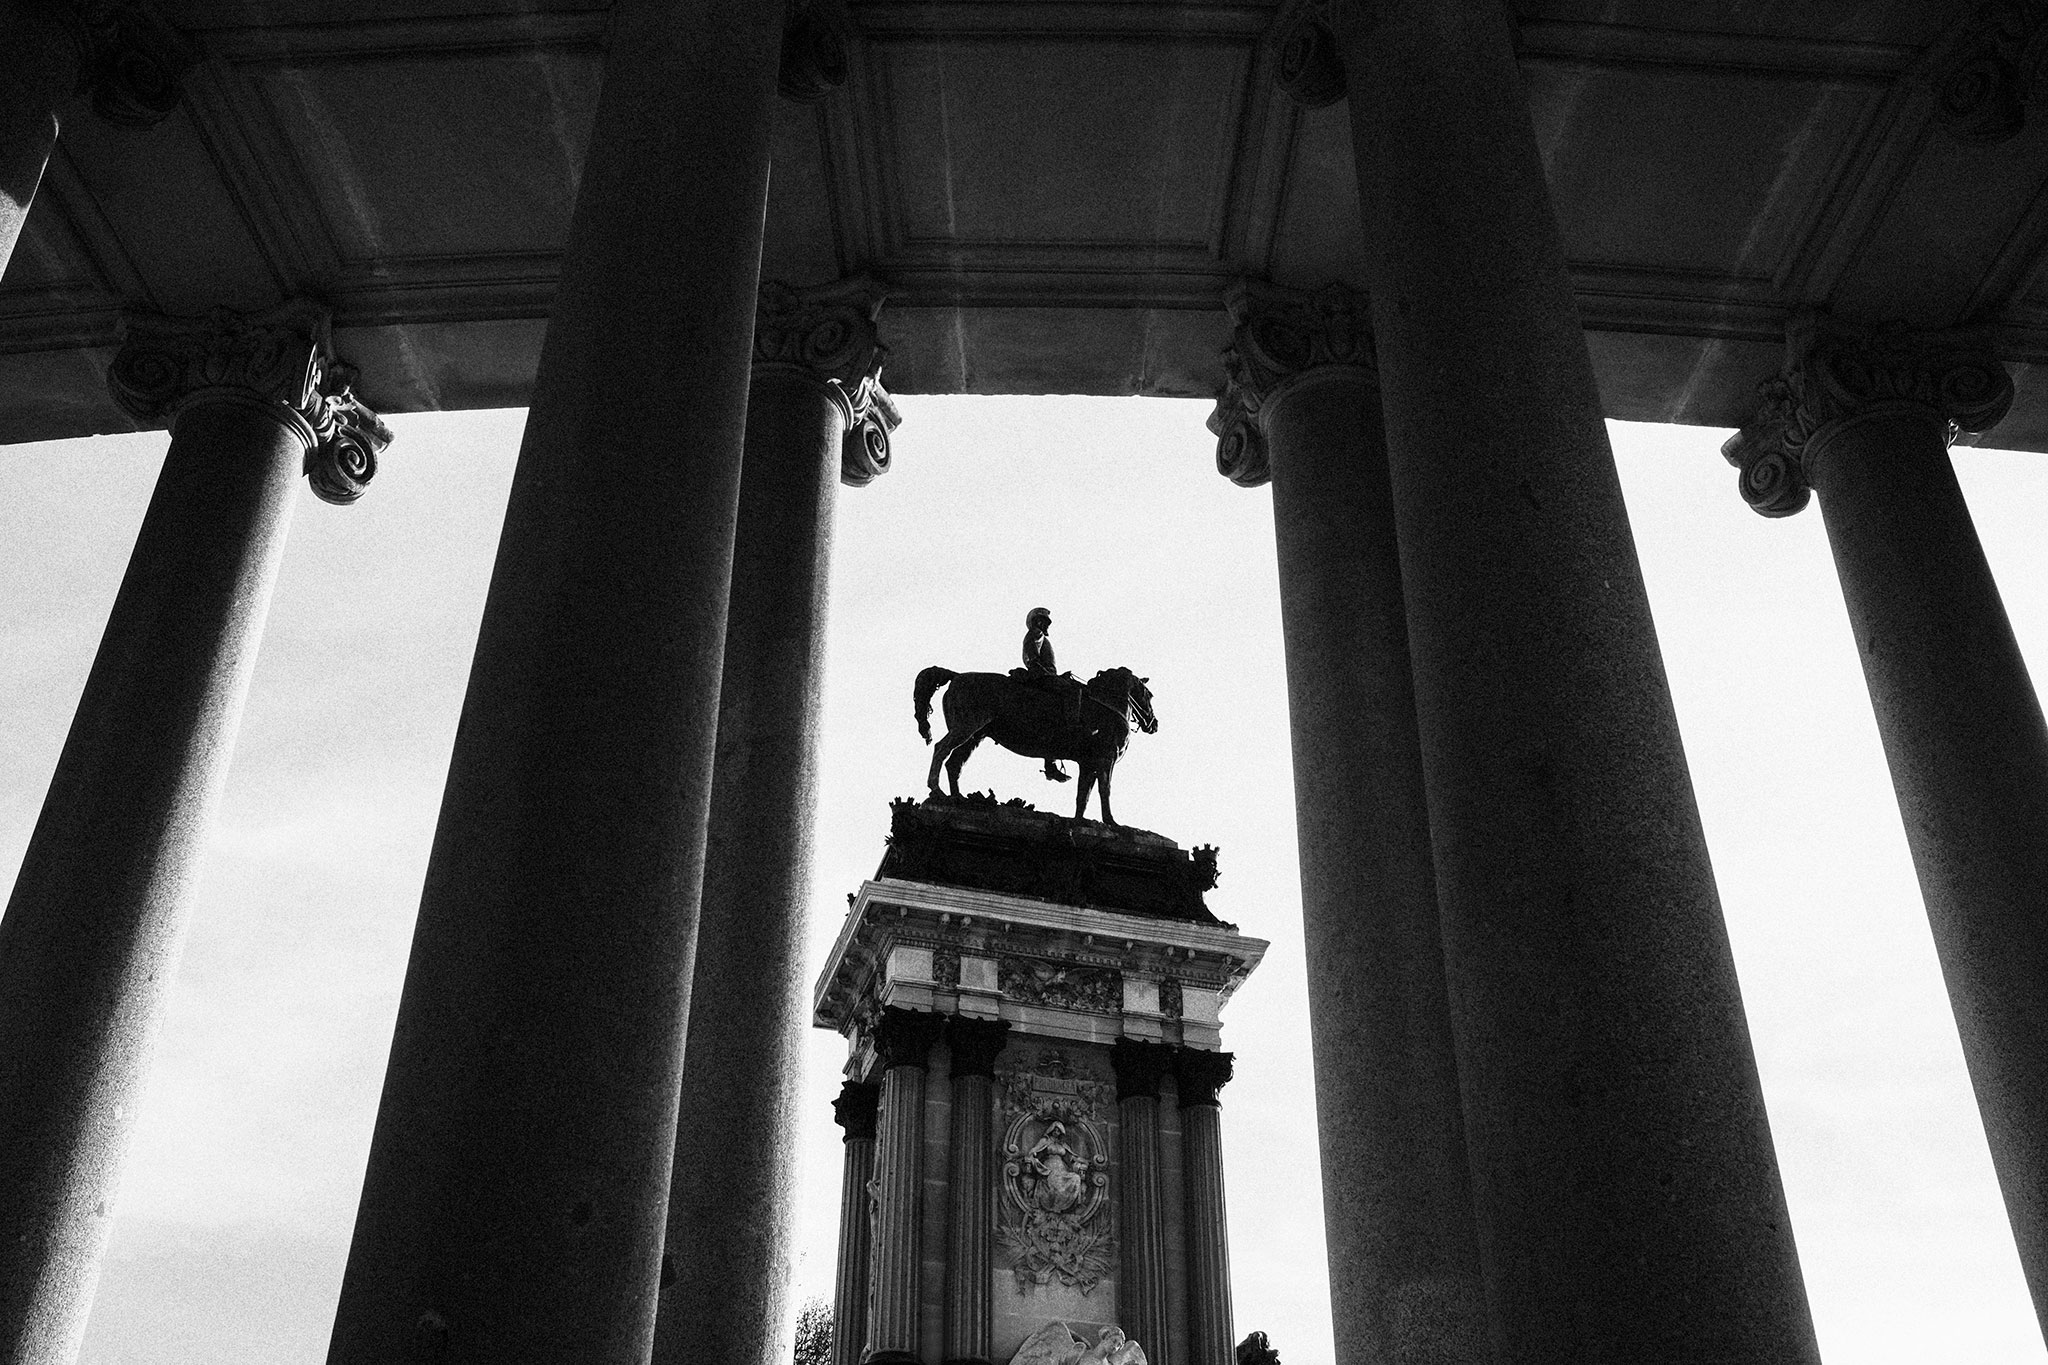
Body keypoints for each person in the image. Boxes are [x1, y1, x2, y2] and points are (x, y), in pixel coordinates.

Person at [1021, 606, 1078, 782]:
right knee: (1072, 691)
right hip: (1041, 677)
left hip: (1045, 675)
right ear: (1035, 622)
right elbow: (1033, 659)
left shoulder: (1040, 636)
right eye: (1041, 621)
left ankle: (1051, 764)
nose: (1044, 624)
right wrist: (1049, 675)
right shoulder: (1036, 634)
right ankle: (1073, 727)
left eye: (1045, 622)